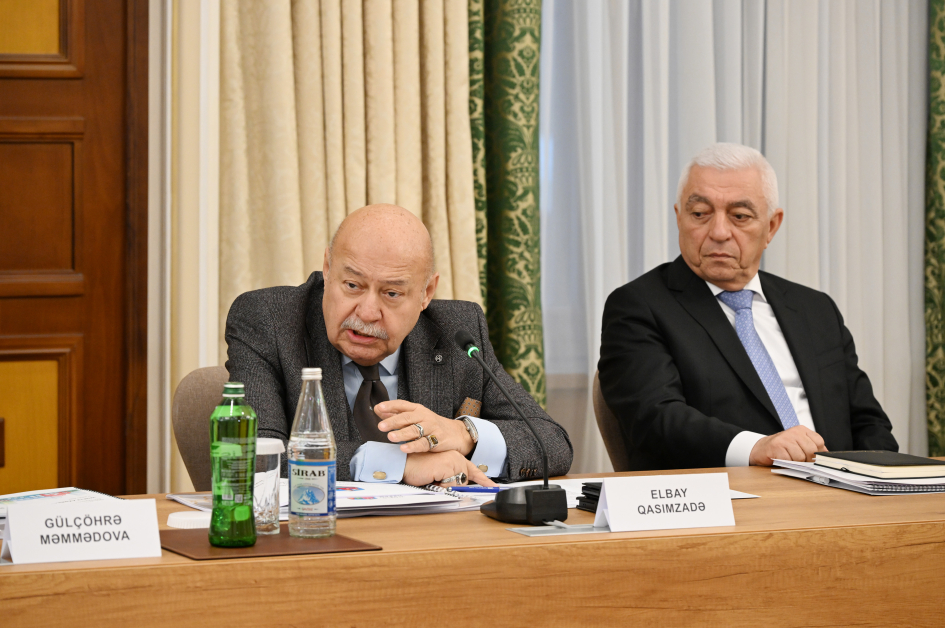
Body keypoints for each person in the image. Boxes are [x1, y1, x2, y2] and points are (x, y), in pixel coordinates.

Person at [598, 143, 897, 471]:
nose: (719, 232)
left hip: (840, 488)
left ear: (771, 226)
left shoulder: (815, 309)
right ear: (679, 217)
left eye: (739, 216)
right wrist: (756, 447)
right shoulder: (639, 307)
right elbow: (654, 419)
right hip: (730, 492)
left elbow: (869, 422)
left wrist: (878, 479)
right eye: (700, 214)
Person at [226, 204, 572, 486]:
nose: (367, 312)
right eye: (352, 285)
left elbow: (551, 442)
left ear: (426, 293)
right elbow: (254, 456)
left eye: (391, 293)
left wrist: (464, 433)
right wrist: (398, 465)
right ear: (328, 268)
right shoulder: (269, 320)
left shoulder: (457, 330)